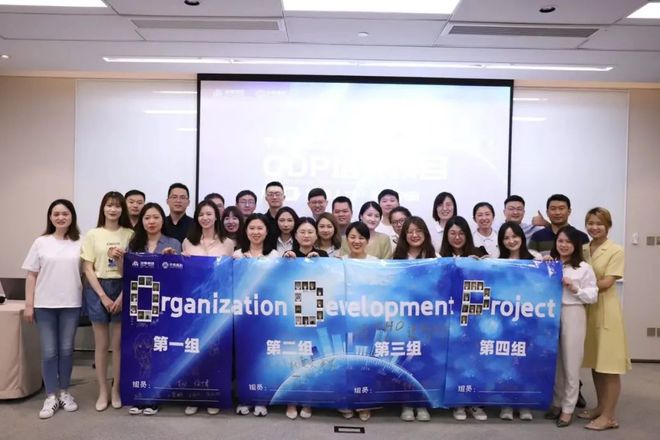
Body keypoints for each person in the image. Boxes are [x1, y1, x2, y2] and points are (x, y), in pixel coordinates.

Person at [22, 199, 83, 419]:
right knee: (49, 352)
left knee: (66, 350)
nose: (60, 217)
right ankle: (50, 396)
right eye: (56, 214)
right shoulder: (41, 242)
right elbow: (31, 275)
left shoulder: (81, 241)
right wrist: (29, 305)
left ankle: (64, 392)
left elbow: (87, 271)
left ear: (72, 216)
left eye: (65, 213)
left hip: (71, 304)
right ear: (50, 217)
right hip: (44, 305)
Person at [126, 203, 180, 416]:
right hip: (139, 302)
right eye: (147, 217)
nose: (151, 221)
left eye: (156, 217)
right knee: (139, 349)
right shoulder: (134, 243)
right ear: (142, 221)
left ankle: (155, 396)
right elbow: (127, 273)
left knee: (159, 348)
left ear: (162, 220)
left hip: (164, 302)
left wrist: (171, 259)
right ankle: (138, 394)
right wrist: (120, 259)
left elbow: (179, 274)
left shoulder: (173, 242)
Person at [80, 191, 133, 412]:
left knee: (118, 345)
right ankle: (102, 390)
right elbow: (87, 268)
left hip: (122, 286)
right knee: (101, 345)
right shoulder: (93, 234)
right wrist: (102, 295)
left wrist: (122, 295)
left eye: (117, 206)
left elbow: (132, 268)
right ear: (103, 208)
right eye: (109, 205)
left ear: (122, 210)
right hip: (97, 288)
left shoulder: (130, 233)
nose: (113, 209)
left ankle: (116, 389)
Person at [578, 207, 630, 431]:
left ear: (608, 225)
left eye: (599, 223)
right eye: (590, 223)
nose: (594, 227)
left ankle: (609, 416)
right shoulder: (583, 248)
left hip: (606, 310)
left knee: (609, 365)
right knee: (596, 363)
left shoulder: (615, 250)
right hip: (587, 309)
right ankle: (600, 407)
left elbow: (608, 282)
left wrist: (578, 288)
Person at [544, 226, 597, 428]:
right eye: (560, 241)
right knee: (556, 362)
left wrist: (575, 288)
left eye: (568, 242)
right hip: (550, 313)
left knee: (571, 363)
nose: (563, 245)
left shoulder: (583, 268)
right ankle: (557, 402)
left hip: (573, 311)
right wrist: (543, 265)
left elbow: (592, 295)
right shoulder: (551, 264)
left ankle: (568, 408)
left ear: (576, 245)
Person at [439, 215, 487, 421]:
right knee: (453, 360)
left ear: (467, 235)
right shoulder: (439, 257)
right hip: (447, 318)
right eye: (452, 233)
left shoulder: (480, 255)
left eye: (461, 233)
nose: (457, 237)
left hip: (473, 317)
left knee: (474, 359)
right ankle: (457, 402)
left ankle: (475, 402)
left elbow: (489, 282)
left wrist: (482, 265)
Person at [234, 213, 278, 416]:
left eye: (260, 228)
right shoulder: (237, 255)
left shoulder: (274, 255)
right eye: (252, 228)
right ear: (246, 231)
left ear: (267, 231)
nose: (256, 232)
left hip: (267, 316)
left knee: (263, 357)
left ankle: (261, 399)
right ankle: (244, 398)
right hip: (242, 315)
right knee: (244, 357)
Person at [392, 216, 434, 422]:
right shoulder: (396, 259)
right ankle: (407, 403)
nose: (414, 235)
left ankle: (422, 403)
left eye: (418, 231)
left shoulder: (436, 258)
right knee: (405, 361)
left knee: (425, 361)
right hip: (404, 319)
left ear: (425, 233)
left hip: (430, 320)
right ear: (404, 235)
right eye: (410, 232)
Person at [496, 222, 538, 421]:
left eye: (514, 236)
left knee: (526, 362)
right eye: (506, 238)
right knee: (506, 362)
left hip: (529, 320)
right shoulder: (497, 262)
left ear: (522, 237)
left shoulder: (535, 260)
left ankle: (524, 404)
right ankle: (506, 403)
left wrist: (549, 263)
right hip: (505, 321)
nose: (511, 241)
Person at [338, 221, 376, 421]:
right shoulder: (338, 261)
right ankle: (344, 402)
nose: (356, 241)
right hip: (343, 320)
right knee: (343, 363)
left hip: (367, 321)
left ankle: (364, 403)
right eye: (352, 237)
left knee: (364, 362)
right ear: (347, 239)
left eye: (361, 237)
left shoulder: (376, 263)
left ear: (367, 240)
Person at [264, 182, 286, 248]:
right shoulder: (262, 221)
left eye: (278, 194)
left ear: (284, 197)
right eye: (270, 194)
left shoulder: (293, 220)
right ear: (266, 198)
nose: (274, 197)